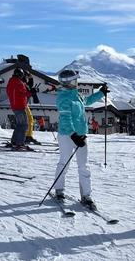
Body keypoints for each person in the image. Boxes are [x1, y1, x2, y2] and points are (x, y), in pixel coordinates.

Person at [54, 69, 108, 208]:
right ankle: (59, 190)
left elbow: (87, 100)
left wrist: (101, 93)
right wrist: (73, 135)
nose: (77, 82)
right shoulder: (63, 97)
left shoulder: (76, 94)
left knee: (84, 165)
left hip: (81, 134)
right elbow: (66, 119)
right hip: (67, 135)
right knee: (64, 162)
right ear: (68, 82)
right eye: (75, 80)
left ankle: (86, 195)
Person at [6, 67, 30, 150]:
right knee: (23, 125)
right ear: (20, 75)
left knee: (20, 125)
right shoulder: (18, 83)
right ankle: (19, 143)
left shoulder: (11, 81)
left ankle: (15, 141)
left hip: (15, 106)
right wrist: (31, 92)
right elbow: (23, 93)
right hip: (19, 106)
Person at [25, 74, 41, 145]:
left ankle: (28, 135)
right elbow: (28, 88)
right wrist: (32, 91)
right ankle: (27, 136)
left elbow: (29, 85)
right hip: (23, 104)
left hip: (24, 104)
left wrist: (31, 78)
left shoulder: (24, 83)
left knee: (30, 120)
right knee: (28, 120)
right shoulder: (22, 83)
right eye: (27, 76)